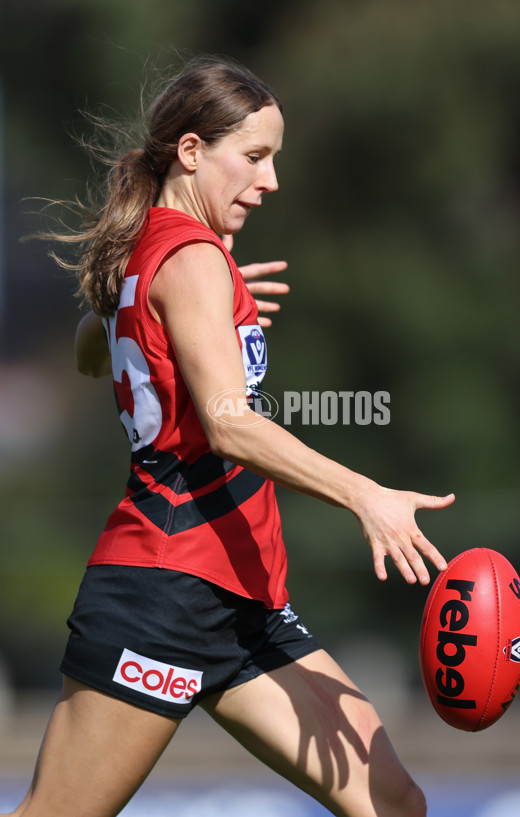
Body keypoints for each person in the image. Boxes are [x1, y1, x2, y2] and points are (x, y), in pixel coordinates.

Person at [8, 56, 455, 817]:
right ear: (190, 152)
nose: (270, 180)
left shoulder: (158, 252)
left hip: (245, 598)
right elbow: (227, 422)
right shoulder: (190, 258)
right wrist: (366, 494)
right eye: (254, 157)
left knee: (393, 803)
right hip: (164, 588)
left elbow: (95, 344)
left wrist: (201, 307)